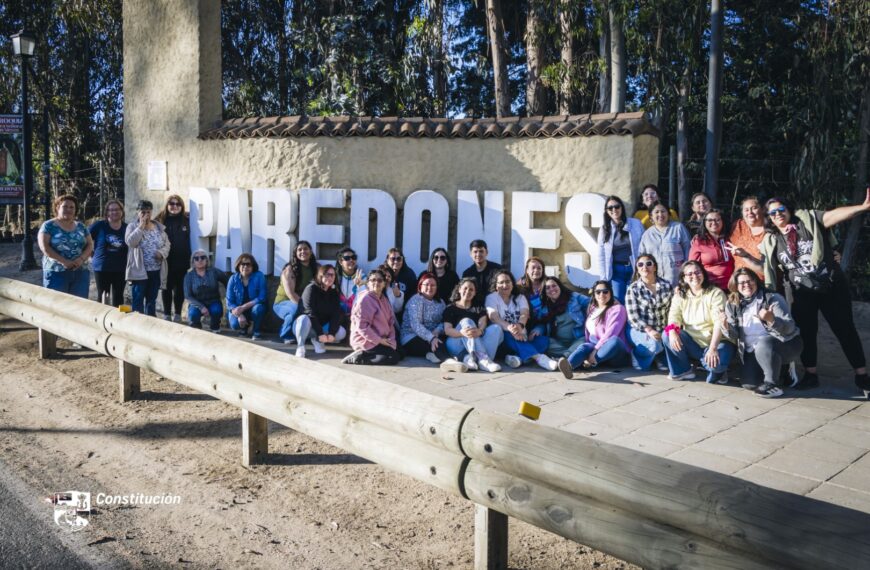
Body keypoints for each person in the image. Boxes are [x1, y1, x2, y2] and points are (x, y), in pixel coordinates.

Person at [758, 192, 869, 391]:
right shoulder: (772, 240)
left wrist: (861, 208)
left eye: (781, 209)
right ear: (769, 217)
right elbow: (767, 268)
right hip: (801, 291)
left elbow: (833, 215)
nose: (777, 214)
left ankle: (862, 376)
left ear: (789, 210)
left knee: (845, 329)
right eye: (772, 212)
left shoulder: (808, 220)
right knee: (807, 333)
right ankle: (811, 375)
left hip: (831, 285)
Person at [721, 268, 802, 398]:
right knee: (749, 384)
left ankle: (772, 384)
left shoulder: (772, 298)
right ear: (735, 286)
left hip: (785, 343)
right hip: (753, 350)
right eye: (742, 283)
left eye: (750, 281)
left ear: (756, 281)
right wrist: (725, 326)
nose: (746, 285)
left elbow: (790, 328)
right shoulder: (732, 304)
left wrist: (771, 319)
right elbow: (735, 336)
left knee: (764, 342)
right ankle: (779, 370)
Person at [662, 261, 735, 383]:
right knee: (668, 334)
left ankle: (717, 370)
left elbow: (719, 324)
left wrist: (713, 348)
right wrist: (673, 332)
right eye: (689, 274)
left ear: (703, 274)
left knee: (715, 365)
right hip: (693, 343)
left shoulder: (715, 293)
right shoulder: (680, 295)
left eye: (697, 272)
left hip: (717, 342)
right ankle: (683, 370)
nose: (694, 276)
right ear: (684, 278)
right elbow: (674, 316)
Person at [485, 270, 557, 371]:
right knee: (507, 334)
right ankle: (540, 358)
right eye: (501, 282)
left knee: (543, 340)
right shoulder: (491, 298)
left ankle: (516, 358)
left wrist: (519, 326)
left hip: (522, 337)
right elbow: (494, 317)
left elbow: (525, 313)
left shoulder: (520, 297)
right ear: (496, 286)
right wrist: (510, 328)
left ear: (512, 284)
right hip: (504, 340)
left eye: (507, 281)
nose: (505, 285)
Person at [556, 280, 630, 379]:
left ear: (610, 293)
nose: (602, 294)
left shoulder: (618, 309)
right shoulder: (592, 309)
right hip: (595, 348)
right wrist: (592, 349)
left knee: (614, 341)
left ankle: (590, 362)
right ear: (594, 294)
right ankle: (569, 366)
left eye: (605, 291)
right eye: (598, 292)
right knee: (584, 346)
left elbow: (611, 333)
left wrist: (595, 350)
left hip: (615, 355)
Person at [399, 272, 459, 370]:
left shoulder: (441, 302)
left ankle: (433, 355)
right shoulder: (416, 300)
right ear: (420, 286)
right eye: (426, 284)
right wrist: (431, 338)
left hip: (432, 335)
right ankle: (448, 361)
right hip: (411, 336)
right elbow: (416, 325)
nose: (429, 287)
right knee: (437, 343)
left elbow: (443, 321)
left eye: (433, 285)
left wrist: (437, 331)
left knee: (448, 341)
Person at [38, 194, 94, 298]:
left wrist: (81, 259)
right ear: (58, 208)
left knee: (80, 306)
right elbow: (44, 247)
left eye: (72, 207)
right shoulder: (48, 226)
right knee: (56, 305)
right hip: (56, 272)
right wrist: (64, 261)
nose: (68, 209)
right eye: (65, 206)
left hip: (80, 272)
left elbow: (90, 244)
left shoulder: (81, 226)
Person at [442, 278, 503, 372]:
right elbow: (447, 330)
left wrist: (480, 330)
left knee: (496, 328)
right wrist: (461, 333)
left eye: (471, 289)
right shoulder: (450, 308)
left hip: (476, 340)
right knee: (467, 321)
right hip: (456, 343)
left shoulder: (478, 308)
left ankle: (470, 358)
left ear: (475, 293)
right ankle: (483, 359)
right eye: (465, 288)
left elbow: (483, 323)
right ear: (459, 289)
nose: (467, 291)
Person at [625, 254, 673, 371]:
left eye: (649, 263)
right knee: (654, 344)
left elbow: (673, 310)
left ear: (655, 267)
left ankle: (658, 356)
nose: (644, 267)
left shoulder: (667, 285)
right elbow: (633, 317)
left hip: (662, 329)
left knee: (672, 342)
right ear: (637, 269)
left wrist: (670, 330)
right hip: (639, 329)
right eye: (640, 264)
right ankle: (637, 354)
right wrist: (649, 330)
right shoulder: (633, 289)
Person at [343, 269, 401, 365]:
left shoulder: (384, 300)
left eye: (379, 280)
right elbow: (362, 327)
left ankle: (367, 354)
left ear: (383, 284)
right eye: (373, 280)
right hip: (365, 340)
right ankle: (360, 357)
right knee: (393, 357)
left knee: (401, 352)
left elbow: (391, 323)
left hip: (382, 339)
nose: (376, 282)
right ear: (368, 283)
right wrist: (380, 340)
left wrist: (391, 340)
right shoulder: (365, 299)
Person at [125, 200, 170, 316]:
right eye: (143, 212)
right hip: (139, 271)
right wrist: (141, 226)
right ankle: (136, 325)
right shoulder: (132, 226)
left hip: (155, 271)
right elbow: (130, 242)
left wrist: (162, 253)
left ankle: (150, 326)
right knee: (138, 301)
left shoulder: (158, 227)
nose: (146, 215)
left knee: (151, 301)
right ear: (137, 213)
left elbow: (167, 244)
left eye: (148, 212)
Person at [597, 196, 644, 303]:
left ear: (622, 208)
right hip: (616, 271)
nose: (614, 210)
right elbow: (601, 254)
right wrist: (603, 278)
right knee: (619, 301)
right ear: (607, 211)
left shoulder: (636, 224)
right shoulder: (605, 229)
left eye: (617, 206)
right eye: (610, 208)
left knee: (635, 301)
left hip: (635, 269)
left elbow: (644, 247)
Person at [294, 264, 348, 358]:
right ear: (321, 275)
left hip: (321, 326)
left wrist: (331, 333)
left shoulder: (334, 292)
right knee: (304, 318)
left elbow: (337, 313)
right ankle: (300, 346)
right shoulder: (311, 288)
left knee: (341, 333)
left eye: (333, 275)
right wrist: (320, 333)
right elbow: (309, 312)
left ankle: (317, 340)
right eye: (327, 274)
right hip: (305, 325)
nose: (330, 277)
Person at [273, 240, 319, 343]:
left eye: (305, 249)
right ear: (295, 253)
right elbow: (290, 294)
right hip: (283, 302)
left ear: (311, 251)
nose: (303, 251)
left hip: (302, 301)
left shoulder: (315, 268)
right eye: (299, 250)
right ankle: (285, 334)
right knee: (294, 309)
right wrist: (306, 307)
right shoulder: (289, 270)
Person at [638, 201, 692, 286]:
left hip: (677, 279)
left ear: (668, 213)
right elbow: (642, 257)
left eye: (663, 211)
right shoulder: (647, 234)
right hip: (655, 281)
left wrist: (686, 271)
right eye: (656, 212)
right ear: (651, 216)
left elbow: (688, 250)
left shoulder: (678, 228)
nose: (660, 214)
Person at [156, 194, 190, 322]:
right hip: (166, 261)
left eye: (178, 204)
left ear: (182, 206)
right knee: (166, 287)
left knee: (179, 289)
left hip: (182, 261)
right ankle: (166, 314)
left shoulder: (186, 220)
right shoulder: (160, 220)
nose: (174, 206)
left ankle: (177, 314)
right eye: (172, 203)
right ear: (167, 205)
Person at [88, 199, 127, 306]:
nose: (114, 212)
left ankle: (118, 320)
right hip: (102, 267)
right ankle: (101, 320)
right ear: (107, 212)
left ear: (122, 211)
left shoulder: (126, 228)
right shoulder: (99, 225)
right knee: (103, 295)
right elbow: (84, 238)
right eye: (111, 210)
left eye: (117, 209)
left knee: (119, 296)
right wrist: (90, 253)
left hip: (120, 268)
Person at [541, 276, 590, 361]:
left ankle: (564, 358)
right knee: (544, 343)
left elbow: (591, 302)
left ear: (559, 286)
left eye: (554, 285)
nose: (552, 289)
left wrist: (611, 301)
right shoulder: (545, 308)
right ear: (545, 292)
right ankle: (574, 356)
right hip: (559, 344)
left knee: (584, 341)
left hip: (577, 339)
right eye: (547, 288)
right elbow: (540, 322)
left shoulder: (573, 297)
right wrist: (537, 330)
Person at [183, 249, 228, 332]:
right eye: (196, 258)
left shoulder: (214, 271)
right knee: (193, 314)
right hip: (197, 303)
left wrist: (228, 296)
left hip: (213, 301)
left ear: (207, 260)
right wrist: (201, 307)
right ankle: (197, 326)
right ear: (193, 262)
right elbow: (188, 296)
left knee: (216, 310)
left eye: (203, 257)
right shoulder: (189, 276)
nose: (200, 260)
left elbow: (227, 281)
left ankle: (215, 326)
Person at [689, 209, 735, 290]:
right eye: (710, 220)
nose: (714, 223)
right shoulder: (699, 241)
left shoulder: (731, 237)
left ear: (722, 221)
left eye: (717, 220)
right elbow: (692, 265)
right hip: (709, 286)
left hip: (732, 285)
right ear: (704, 222)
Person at [226, 253, 267, 340]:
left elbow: (262, 297)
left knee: (258, 309)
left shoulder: (259, 276)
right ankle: (243, 328)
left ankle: (256, 331)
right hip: (238, 309)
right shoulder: (233, 279)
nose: (245, 267)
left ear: (253, 266)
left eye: (248, 264)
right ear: (238, 265)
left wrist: (244, 307)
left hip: (253, 308)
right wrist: (239, 314)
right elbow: (229, 302)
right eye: (242, 264)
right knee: (234, 324)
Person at [727, 196, 766, 279]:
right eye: (746, 210)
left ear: (762, 209)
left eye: (754, 208)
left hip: (763, 282)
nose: (750, 212)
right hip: (740, 282)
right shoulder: (737, 226)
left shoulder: (770, 230)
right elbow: (716, 226)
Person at [461, 239, 502, 305]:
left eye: (481, 251)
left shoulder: (497, 269)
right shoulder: (467, 273)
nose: (478, 254)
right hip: (474, 307)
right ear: (470, 254)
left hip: (495, 305)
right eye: (475, 252)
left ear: (486, 252)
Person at [517, 256, 548, 326]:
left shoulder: (549, 284)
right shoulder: (519, 287)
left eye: (539, 268)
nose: (536, 270)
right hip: (527, 324)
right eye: (533, 267)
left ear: (543, 270)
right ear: (527, 270)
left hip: (547, 323)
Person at [336, 247, 366, 315]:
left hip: (357, 316)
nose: (351, 260)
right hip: (338, 317)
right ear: (340, 261)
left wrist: (359, 286)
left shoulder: (363, 277)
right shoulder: (334, 277)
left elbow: (365, 300)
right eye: (347, 258)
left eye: (354, 257)